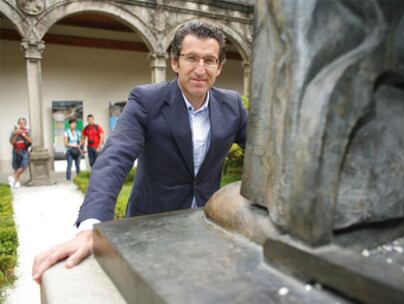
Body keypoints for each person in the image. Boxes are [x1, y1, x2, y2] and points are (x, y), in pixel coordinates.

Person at [32, 21, 247, 282]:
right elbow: (115, 157)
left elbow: (263, 155)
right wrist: (91, 226)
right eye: (191, 58)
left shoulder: (233, 105)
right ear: (175, 62)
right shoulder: (146, 101)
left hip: (205, 224)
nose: (200, 69)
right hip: (151, 226)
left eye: (209, 60)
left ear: (219, 67)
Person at [8, 117, 32, 188]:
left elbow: (31, 141)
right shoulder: (14, 131)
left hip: (24, 151)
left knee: (24, 165)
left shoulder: (28, 131)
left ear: (25, 124)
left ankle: (12, 177)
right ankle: (17, 182)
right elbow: (12, 142)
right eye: (20, 122)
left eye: (23, 122)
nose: (22, 124)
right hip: (15, 151)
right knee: (16, 166)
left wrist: (23, 134)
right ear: (18, 123)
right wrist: (17, 135)